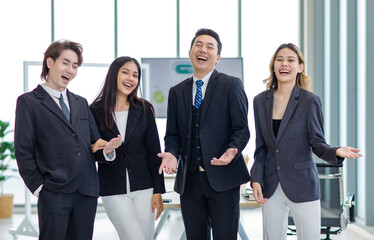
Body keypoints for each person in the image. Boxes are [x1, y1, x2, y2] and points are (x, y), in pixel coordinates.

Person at [250, 43, 362, 240]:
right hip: (270, 184)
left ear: (300, 67)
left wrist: (336, 151)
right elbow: (261, 148)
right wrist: (256, 178)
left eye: (291, 60)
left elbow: (317, 143)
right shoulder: (260, 101)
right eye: (279, 59)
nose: (284, 64)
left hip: (302, 184)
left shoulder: (309, 101)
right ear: (273, 65)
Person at [14, 40, 121, 240]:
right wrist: (39, 188)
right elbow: (23, 151)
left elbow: (93, 145)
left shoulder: (81, 103)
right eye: (66, 63)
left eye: (75, 66)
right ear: (49, 62)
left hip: (86, 192)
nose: (70, 70)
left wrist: (107, 150)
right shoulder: (29, 102)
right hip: (53, 192)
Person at [158, 28, 250, 240]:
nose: (203, 50)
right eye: (198, 45)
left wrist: (232, 150)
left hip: (223, 179)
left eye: (210, 47)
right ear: (190, 52)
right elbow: (172, 134)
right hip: (190, 182)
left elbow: (242, 129)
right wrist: (171, 153)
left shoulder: (231, 84)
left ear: (217, 58)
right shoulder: (176, 91)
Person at [90, 56, 165, 240]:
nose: (131, 78)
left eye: (135, 75)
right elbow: (92, 150)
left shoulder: (145, 109)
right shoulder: (94, 111)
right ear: (114, 74)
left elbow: (154, 151)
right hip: (113, 189)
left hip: (145, 188)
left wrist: (158, 191)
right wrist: (107, 150)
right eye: (125, 72)